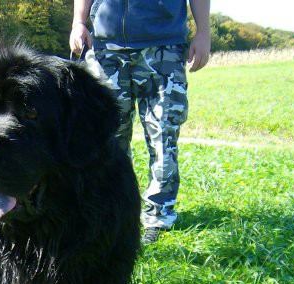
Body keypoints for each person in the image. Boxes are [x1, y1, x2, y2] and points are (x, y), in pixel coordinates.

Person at [70, 0, 211, 245]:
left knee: (163, 136)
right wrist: (78, 22)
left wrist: (203, 33)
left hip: (163, 47)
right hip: (106, 48)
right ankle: (113, 211)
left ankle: (158, 217)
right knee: (107, 138)